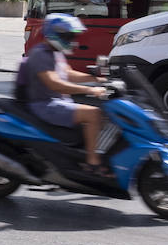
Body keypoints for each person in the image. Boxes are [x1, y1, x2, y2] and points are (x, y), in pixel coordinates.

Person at [16, 14, 110, 175]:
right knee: (93, 114)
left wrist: (97, 80)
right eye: (68, 36)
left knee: (104, 112)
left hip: (59, 101)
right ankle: (93, 162)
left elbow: (69, 74)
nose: (72, 40)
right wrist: (90, 90)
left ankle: (81, 153)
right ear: (55, 34)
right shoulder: (40, 54)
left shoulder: (55, 52)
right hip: (45, 105)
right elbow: (55, 84)